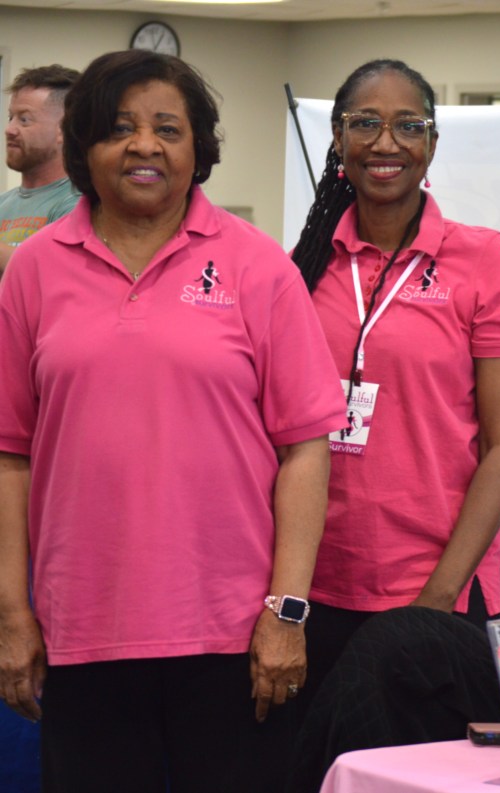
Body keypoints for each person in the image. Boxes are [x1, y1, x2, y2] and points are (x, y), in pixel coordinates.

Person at [0, 50, 346, 792]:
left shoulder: (259, 268)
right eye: (119, 127)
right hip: (80, 633)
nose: (144, 145)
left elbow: (305, 450)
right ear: (84, 146)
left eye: (168, 128)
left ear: (200, 149)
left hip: (234, 638)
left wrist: (287, 611)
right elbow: (10, 455)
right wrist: (12, 612)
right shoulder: (33, 270)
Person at [288, 59, 500, 704]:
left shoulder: (484, 263)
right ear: (339, 139)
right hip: (312, 585)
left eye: (409, 125)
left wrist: (437, 598)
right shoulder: (303, 266)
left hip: (433, 587)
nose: (386, 143)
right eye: (365, 123)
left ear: (432, 143)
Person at [0, 64, 80, 277]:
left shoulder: (78, 203)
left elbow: (54, 270)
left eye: (24, 119)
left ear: (63, 130)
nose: (10, 129)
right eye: (11, 117)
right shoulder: (3, 203)